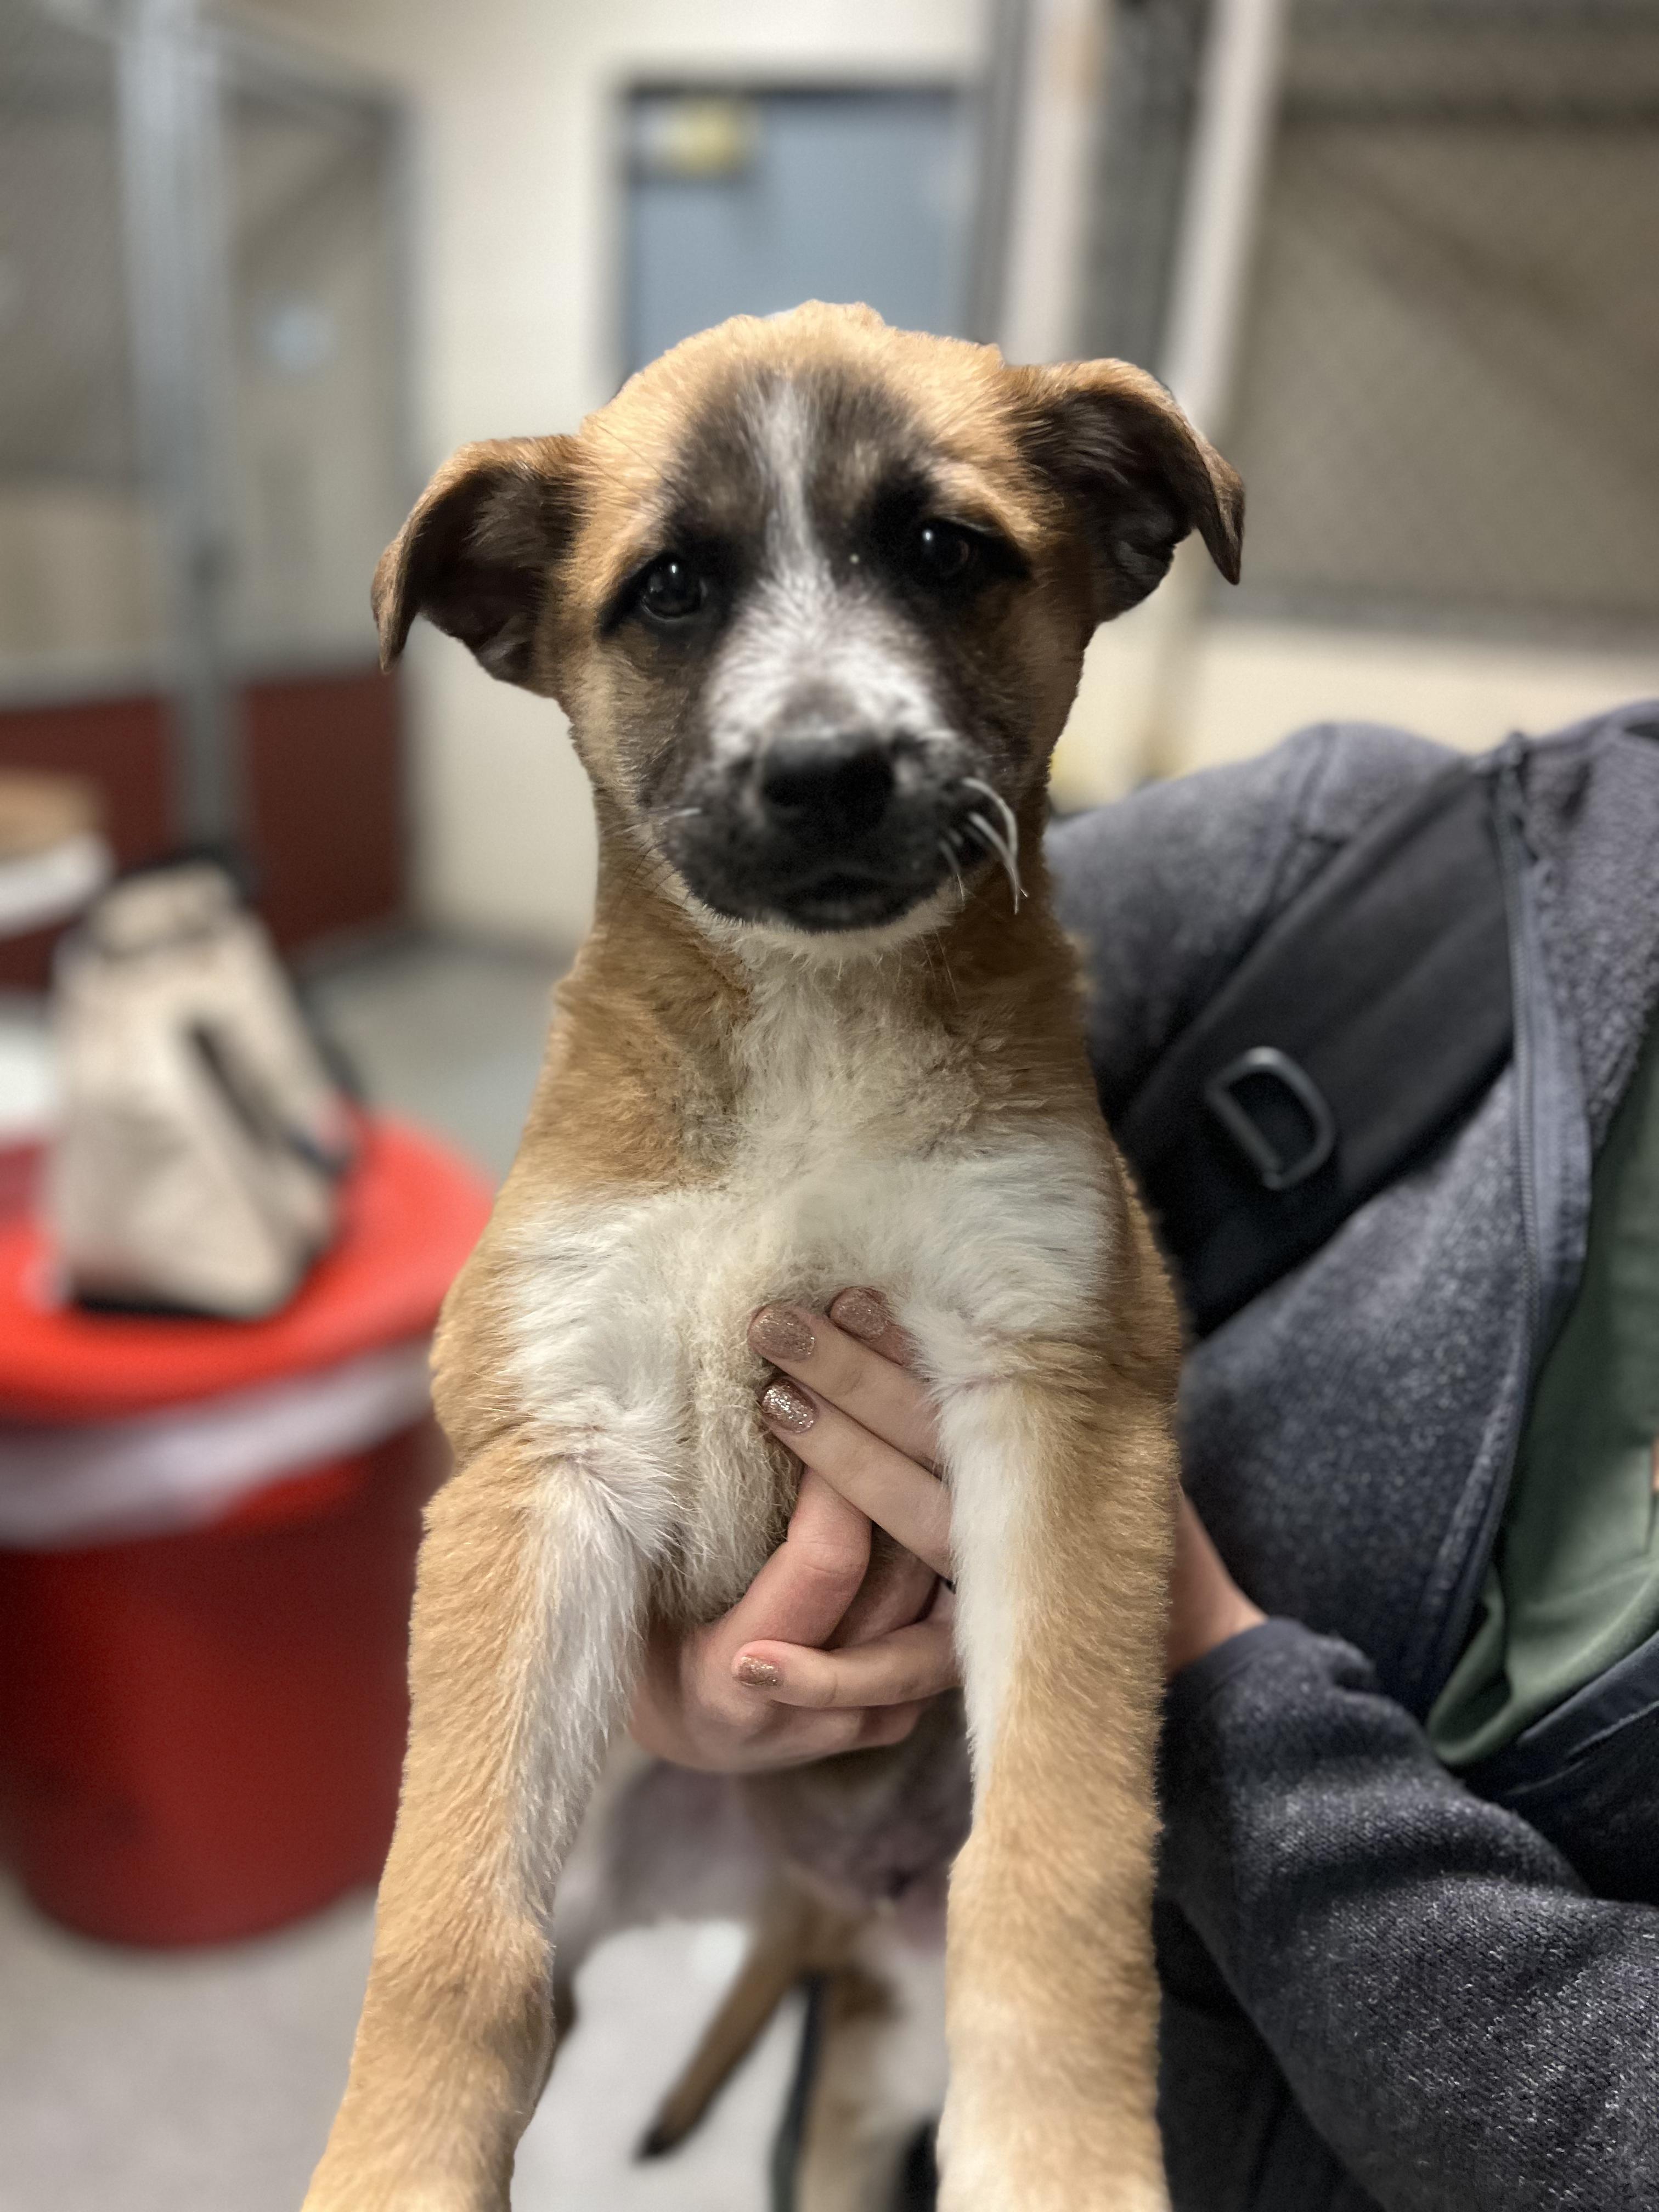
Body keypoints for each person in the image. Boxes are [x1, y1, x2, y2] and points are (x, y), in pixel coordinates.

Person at [630, 706, 1659, 2211]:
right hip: (919, 1925)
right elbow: (665, 1148)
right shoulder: (1413, 858)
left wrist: (1174, 1647)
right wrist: (668, 1640)